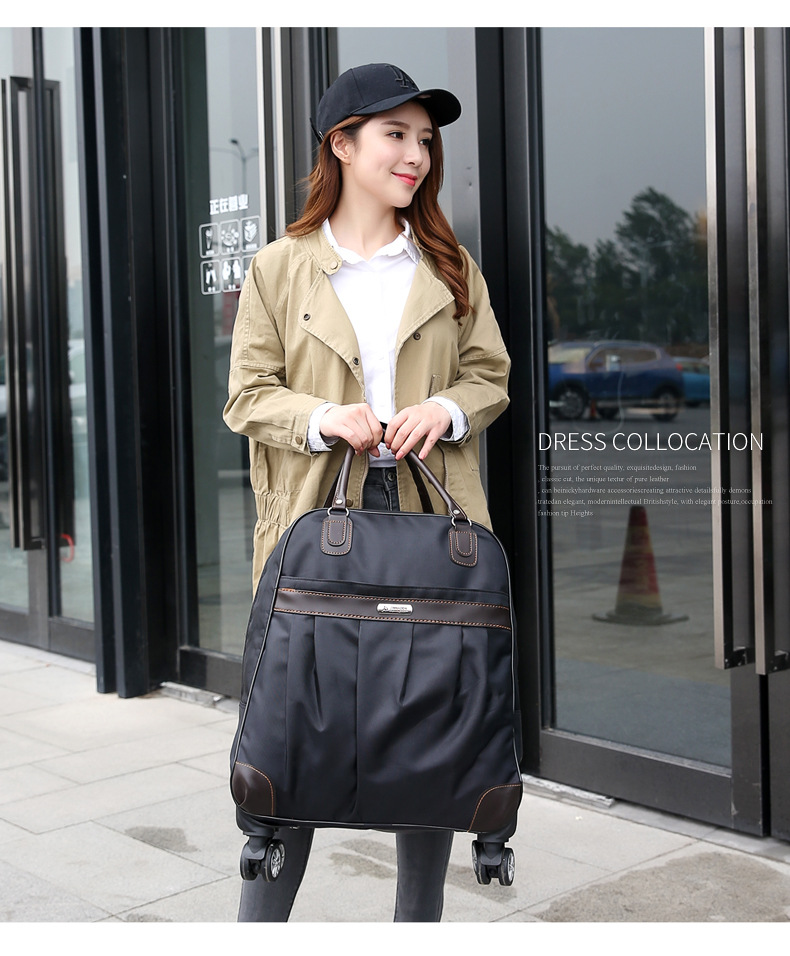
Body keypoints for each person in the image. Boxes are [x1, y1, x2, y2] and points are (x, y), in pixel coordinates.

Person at [223, 62, 511, 922]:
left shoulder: (449, 266)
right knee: (295, 737)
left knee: (430, 735)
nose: (417, 154)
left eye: (425, 139)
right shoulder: (280, 268)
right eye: (396, 135)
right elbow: (247, 395)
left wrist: (443, 410)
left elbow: (489, 376)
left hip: (428, 520)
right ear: (342, 145)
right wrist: (323, 418)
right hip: (318, 524)